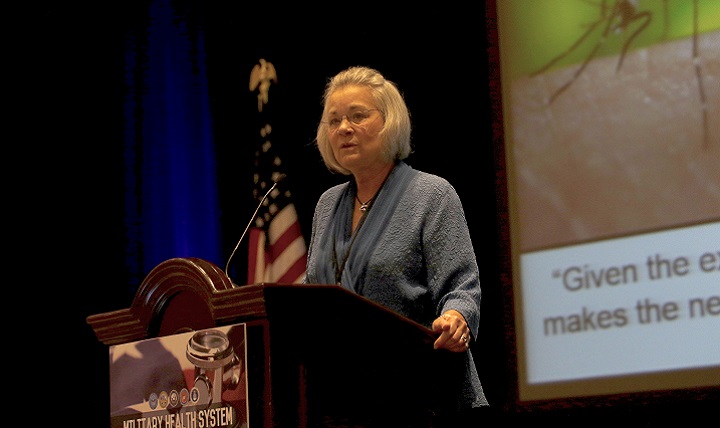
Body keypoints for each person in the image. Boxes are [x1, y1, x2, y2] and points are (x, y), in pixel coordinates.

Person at [303, 65, 490, 427]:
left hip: (419, 398)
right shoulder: (327, 205)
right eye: (334, 120)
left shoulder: (431, 195)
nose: (344, 128)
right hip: (338, 401)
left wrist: (456, 319)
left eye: (358, 116)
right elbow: (317, 297)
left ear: (389, 122)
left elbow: (461, 288)